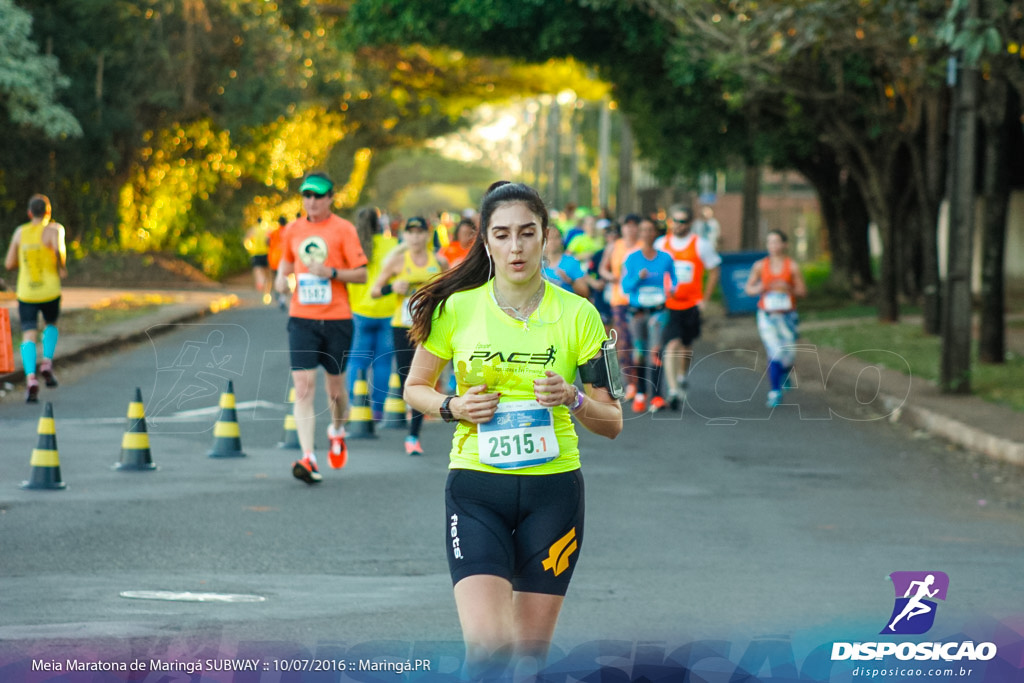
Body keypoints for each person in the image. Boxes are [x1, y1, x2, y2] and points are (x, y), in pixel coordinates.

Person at [403, 181, 622, 679]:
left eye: (527, 233)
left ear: (546, 237)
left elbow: (612, 423)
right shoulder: (456, 309)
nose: (516, 246)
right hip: (477, 487)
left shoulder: (581, 315)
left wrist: (574, 397)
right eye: (502, 235)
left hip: (554, 494)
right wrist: (453, 405)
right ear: (486, 243)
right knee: (488, 651)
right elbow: (415, 387)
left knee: (526, 662)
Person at [275, 172, 368, 484]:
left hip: (338, 319)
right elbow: (287, 263)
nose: (311, 201)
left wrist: (331, 272)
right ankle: (308, 456)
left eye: (317, 196)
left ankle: (337, 430)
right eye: (306, 195)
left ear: (330, 198)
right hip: (301, 317)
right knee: (302, 388)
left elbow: (361, 275)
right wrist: (280, 280)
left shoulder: (344, 229)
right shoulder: (293, 230)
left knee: (335, 393)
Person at [371, 216, 448, 455]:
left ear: (427, 235)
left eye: (420, 232)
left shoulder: (439, 262)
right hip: (402, 326)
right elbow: (374, 291)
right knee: (408, 377)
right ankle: (412, 424)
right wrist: (391, 288)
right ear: (405, 236)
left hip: (429, 326)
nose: (415, 237)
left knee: (424, 379)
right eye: (411, 232)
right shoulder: (396, 261)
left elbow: (452, 289)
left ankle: (413, 435)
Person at [655, 206, 721, 411]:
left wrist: (705, 299)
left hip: (692, 304)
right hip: (669, 304)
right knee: (671, 344)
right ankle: (673, 390)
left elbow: (714, 270)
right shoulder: (661, 244)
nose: (678, 224)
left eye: (682, 221)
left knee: (685, 344)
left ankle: (682, 376)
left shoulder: (700, 245)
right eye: (675, 220)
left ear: (690, 223)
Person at [4, 194, 67, 403]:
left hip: (27, 292)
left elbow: (9, 263)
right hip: (50, 290)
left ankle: (31, 378)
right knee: (51, 324)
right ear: (48, 212)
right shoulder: (55, 229)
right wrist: (61, 266)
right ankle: (47, 362)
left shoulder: (20, 232)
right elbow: (60, 252)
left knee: (28, 333)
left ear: (30, 213)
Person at [345, 206, 400, 421]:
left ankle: (355, 405)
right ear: (379, 224)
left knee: (356, 361)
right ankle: (378, 410)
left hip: (359, 311)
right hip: (388, 311)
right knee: (383, 362)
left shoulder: (352, 247)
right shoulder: (394, 246)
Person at [743, 230, 807, 407]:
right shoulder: (760, 266)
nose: (773, 246)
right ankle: (775, 391)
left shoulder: (791, 266)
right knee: (774, 350)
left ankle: (785, 372)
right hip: (767, 315)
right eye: (770, 242)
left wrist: (788, 289)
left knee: (788, 355)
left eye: (776, 242)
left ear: (784, 245)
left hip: (787, 316)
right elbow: (749, 289)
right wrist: (762, 287)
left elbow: (802, 291)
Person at [620, 217, 677, 413]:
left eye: (650, 230)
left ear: (656, 233)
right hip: (637, 313)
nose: (647, 234)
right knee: (639, 353)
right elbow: (625, 286)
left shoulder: (665, 258)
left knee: (656, 351)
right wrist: (638, 277)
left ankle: (657, 396)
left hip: (658, 312)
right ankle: (641, 394)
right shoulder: (632, 258)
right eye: (643, 230)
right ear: (639, 234)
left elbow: (674, 279)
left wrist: (673, 289)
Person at [598, 213, 641, 399]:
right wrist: (611, 278)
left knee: (641, 344)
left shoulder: (644, 248)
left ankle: (643, 383)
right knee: (623, 342)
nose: (630, 229)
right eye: (627, 225)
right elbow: (602, 269)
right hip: (619, 301)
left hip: (641, 301)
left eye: (634, 226)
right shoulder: (615, 246)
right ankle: (630, 382)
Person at [541, 226, 588, 297]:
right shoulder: (536, 265)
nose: (553, 241)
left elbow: (585, 293)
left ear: (561, 240)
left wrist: (570, 281)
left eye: (556, 237)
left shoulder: (571, 261)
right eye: (549, 238)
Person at [243, 217, 273, 304]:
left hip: (256, 253)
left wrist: (250, 249)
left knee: (258, 270)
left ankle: (261, 282)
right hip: (266, 253)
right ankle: (267, 294)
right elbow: (270, 240)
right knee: (268, 274)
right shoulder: (267, 230)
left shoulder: (253, 229)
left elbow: (246, 240)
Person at [267, 215, 290, 310]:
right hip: (284, 257)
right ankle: (282, 298)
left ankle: (277, 291)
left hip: (274, 257)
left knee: (275, 276)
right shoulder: (289, 231)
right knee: (284, 277)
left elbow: (267, 241)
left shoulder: (274, 232)